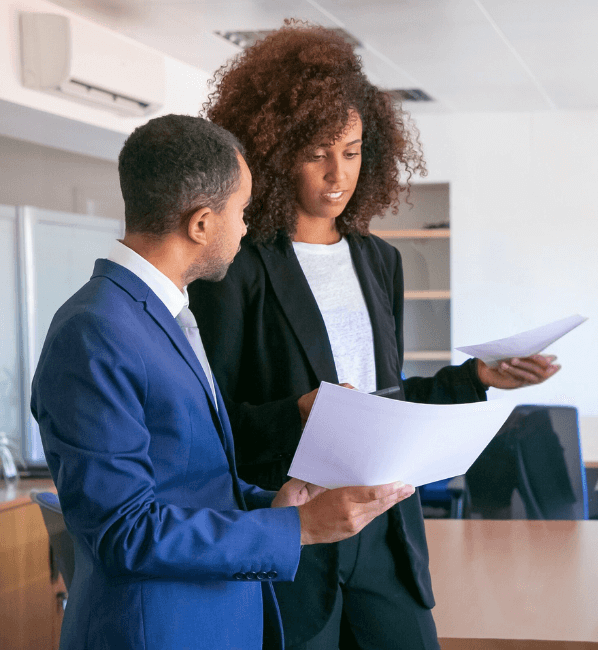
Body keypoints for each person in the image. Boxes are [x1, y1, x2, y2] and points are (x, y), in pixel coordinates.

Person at [188, 23, 560, 649]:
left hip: (387, 525)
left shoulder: (379, 261)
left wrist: (475, 378)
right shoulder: (237, 270)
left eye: (353, 152)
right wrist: (298, 412)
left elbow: (387, 399)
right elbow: (208, 426)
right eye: (317, 154)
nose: (338, 174)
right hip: (297, 533)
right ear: (275, 153)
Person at [30, 114, 415, 650]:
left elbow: (192, 483)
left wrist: (278, 506)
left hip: (213, 619)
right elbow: (125, 533)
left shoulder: (161, 316)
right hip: (157, 633)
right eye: (242, 211)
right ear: (202, 224)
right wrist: (300, 530)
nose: (246, 228)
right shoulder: (95, 331)